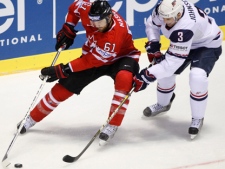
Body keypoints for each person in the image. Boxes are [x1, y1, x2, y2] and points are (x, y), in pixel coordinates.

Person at [18, 0, 140, 146]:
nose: (95, 25)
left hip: (122, 57)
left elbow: (92, 61)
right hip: (94, 53)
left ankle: (112, 124)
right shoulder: (86, 8)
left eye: (99, 22)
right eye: (92, 21)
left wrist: (63, 69)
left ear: (109, 18)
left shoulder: (114, 36)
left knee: (124, 78)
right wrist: (68, 27)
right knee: (65, 86)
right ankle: (31, 118)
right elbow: (73, 9)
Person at [133, 0, 223, 139]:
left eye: (168, 19)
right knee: (164, 73)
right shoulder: (165, 9)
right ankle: (163, 104)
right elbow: (152, 23)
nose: (165, 21)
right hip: (186, 42)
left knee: (197, 77)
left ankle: (197, 118)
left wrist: (146, 76)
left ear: (179, 14)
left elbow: (171, 64)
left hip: (207, 44)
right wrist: (153, 43)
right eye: (163, 18)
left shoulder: (185, 26)